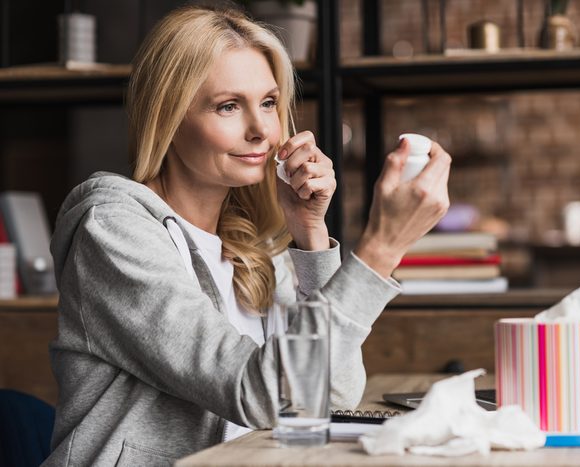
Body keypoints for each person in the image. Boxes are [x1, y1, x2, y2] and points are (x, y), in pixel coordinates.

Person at [44, 3, 451, 466]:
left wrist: (311, 238)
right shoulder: (112, 232)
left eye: (270, 103)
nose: (262, 131)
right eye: (229, 106)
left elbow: (327, 394)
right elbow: (261, 395)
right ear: (169, 117)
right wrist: (380, 250)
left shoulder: (253, 244)